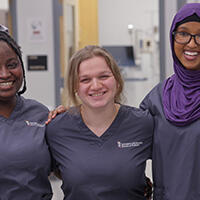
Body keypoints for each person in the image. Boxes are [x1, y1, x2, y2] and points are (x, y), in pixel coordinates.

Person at [46, 45, 153, 200]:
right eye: (85, 79)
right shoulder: (56, 129)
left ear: (116, 79)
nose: (96, 86)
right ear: (75, 86)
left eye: (103, 76)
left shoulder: (143, 124)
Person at [140, 3, 200, 200]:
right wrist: (70, 118)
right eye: (183, 33)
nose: (191, 44)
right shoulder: (157, 98)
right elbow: (121, 136)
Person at [0, 25, 61, 199]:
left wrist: (71, 120)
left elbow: (67, 167)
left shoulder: (40, 113)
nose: (5, 74)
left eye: (12, 64)